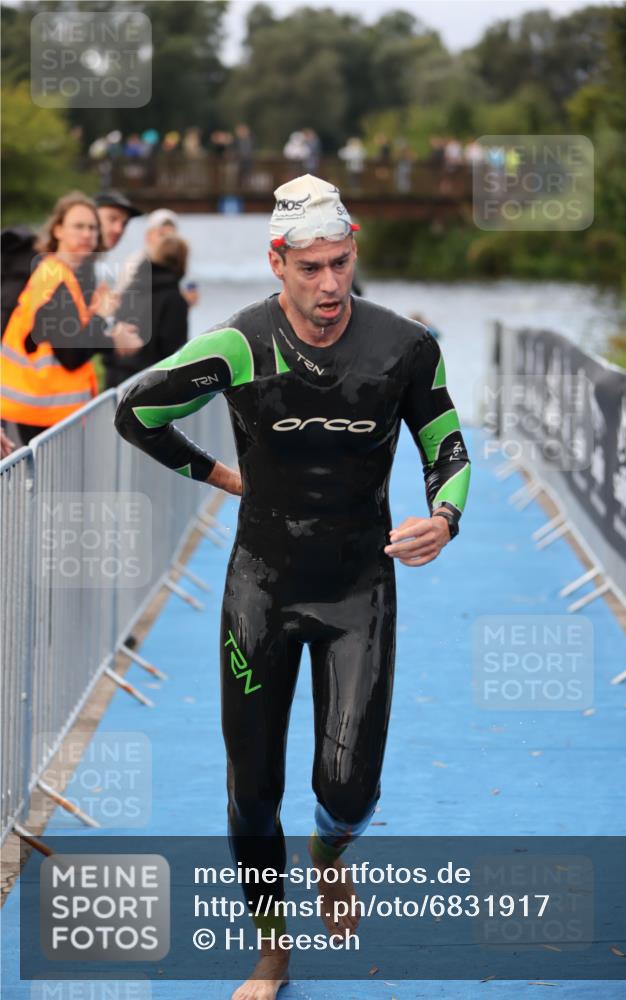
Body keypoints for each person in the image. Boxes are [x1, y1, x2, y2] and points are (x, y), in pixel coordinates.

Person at [115, 174, 470, 1000]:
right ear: (277, 261)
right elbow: (136, 415)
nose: (329, 285)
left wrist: (444, 517)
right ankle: (271, 948)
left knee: (349, 788)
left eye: (341, 264)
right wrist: (218, 476)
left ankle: (328, 858)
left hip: (357, 591)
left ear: (354, 256)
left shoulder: (404, 346)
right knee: (251, 790)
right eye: (309, 268)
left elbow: (445, 446)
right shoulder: (238, 344)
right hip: (261, 592)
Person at [1, 192, 140, 444]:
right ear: (57, 230)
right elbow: (71, 355)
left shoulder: (61, 274)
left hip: (43, 411)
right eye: (78, 226)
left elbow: (69, 337)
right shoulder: (55, 279)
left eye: (92, 228)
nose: (87, 234)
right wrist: (101, 316)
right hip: (37, 413)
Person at [103, 234, 189, 388]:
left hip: (114, 381)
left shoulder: (131, 288)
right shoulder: (174, 299)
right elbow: (174, 353)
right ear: (181, 261)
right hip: (148, 386)